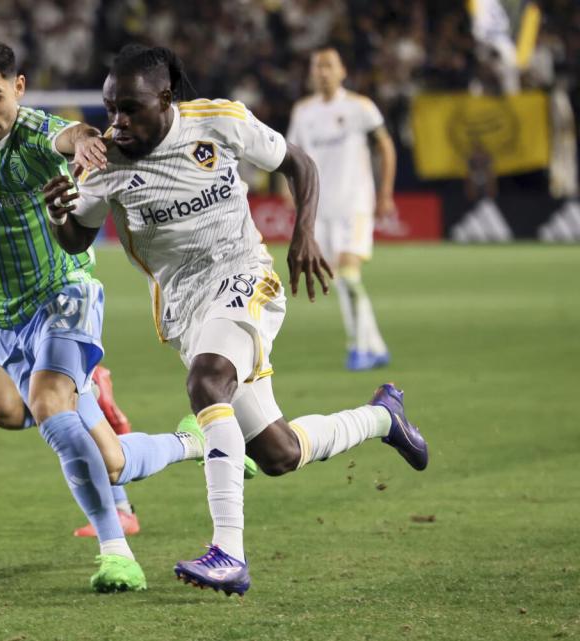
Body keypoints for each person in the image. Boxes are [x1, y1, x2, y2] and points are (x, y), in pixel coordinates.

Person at [43, 44, 429, 597]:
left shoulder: (219, 121)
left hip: (247, 276)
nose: (118, 123)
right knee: (277, 452)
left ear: (166, 98)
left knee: (207, 381)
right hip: (185, 307)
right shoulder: (104, 163)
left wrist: (303, 233)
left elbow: (299, 163)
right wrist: (60, 212)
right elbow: (78, 235)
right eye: (110, 110)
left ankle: (229, 552)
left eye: (130, 108)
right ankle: (383, 418)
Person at [0, 39, 208, 593]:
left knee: (48, 405)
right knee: (71, 441)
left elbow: (67, 135)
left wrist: (89, 142)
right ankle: (190, 441)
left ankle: (115, 552)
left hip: (62, 293)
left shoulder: (33, 133)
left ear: (18, 89)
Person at [286, 47, 397, 371]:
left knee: (348, 276)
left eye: (328, 66)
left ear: (342, 71)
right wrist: (289, 192)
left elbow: (386, 146)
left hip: (355, 205)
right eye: (317, 66)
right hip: (320, 210)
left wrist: (386, 192)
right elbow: (292, 157)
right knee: (340, 280)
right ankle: (375, 346)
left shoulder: (360, 107)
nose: (322, 72)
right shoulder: (303, 111)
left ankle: (358, 347)